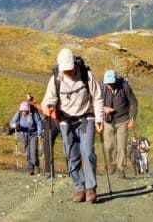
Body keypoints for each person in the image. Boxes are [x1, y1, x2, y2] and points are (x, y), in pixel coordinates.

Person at [41, 48, 104, 204]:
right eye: (65, 70)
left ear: (75, 64)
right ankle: (79, 187)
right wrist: (47, 108)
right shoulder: (55, 80)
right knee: (71, 154)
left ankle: (90, 188)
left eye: (70, 69)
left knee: (87, 151)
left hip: (86, 117)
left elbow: (97, 97)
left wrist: (99, 119)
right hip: (66, 121)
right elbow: (46, 102)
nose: (67, 72)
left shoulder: (86, 75)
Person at [101, 69, 138, 179]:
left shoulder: (124, 87)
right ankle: (112, 163)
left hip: (123, 120)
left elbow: (133, 102)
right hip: (108, 121)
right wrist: (104, 109)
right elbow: (96, 102)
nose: (110, 86)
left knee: (121, 146)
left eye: (112, 84)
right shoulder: (103, 88)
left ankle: (121, 169)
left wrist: (132, 119)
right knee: (108, 146)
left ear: (116, 81)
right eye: (108, 84)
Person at [28, 92, 60, 176]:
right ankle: (48, 171)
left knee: (69, 145)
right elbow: (43, 107)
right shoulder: (53, 89)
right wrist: (33, 101)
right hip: (51, 119)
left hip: (65, 119)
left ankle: (74, 171)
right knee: (47, 143)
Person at [10, 101, 43, 175]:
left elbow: (39, 122)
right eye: (23, 110)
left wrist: (39, 133)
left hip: (33, 134)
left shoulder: (34, 112)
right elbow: (12, 122)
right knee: (26, 151)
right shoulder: (19, 113)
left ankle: (36, 167)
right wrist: (14, 125)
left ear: (28, 109)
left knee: (33, 151)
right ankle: (30, 168)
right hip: (23, 134)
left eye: (25, 110)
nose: (24, 111)